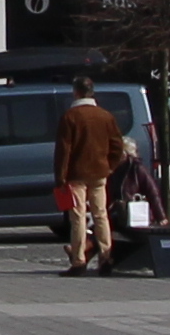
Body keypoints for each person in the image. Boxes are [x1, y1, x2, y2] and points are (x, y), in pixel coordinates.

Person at [54, 87, 128, 274]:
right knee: (101, 214)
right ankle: (106, 256)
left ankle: (79, 261)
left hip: (76, 174)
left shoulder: (70, 116)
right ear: (92, 92)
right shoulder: (105, 116)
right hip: (99, 172)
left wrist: (60, 176)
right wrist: (110, 165)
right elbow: (117, 144)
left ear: (76, 92)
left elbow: (64, 149)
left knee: (78, 217)